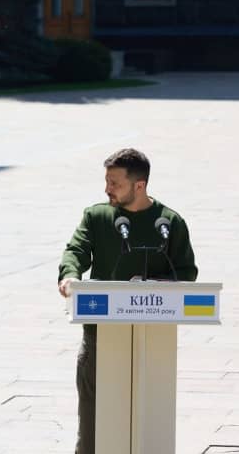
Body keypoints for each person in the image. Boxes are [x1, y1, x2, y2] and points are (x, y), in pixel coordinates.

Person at [57, 148, 197, 454]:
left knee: (146, 422)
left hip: (153, 342)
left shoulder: (169, 223)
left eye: (114, 183)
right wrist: (69, 275)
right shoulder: (97, 216)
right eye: (106, 181)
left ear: (139, 185)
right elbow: (76, 250)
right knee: (93, 426)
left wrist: (167, 285)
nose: (107, 188)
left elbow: (187, 273)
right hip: (100, 337)